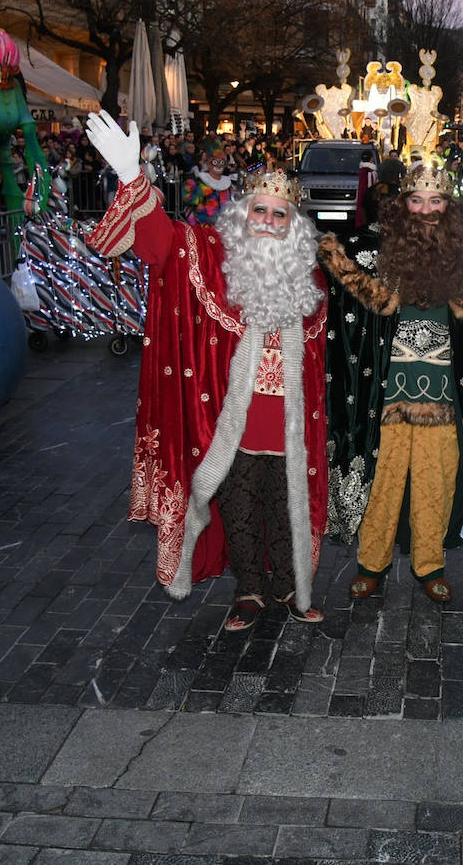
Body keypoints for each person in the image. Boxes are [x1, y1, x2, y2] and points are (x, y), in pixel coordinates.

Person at [83, 111, 329, 627]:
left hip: (287, 423)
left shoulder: (311, 280)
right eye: (258, 210)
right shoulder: (213, 256)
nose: (267, 220)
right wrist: (133, 178)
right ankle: (250, 591)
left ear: (293, 224)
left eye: (279, 214)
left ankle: (288, 586)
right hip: (228, 420)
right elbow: (161, 244)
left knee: (284, 508)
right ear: (243, 215)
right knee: (237, 509)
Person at [321, 164, 463, 603]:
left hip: (444, 396)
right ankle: (372, 563)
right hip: (386, 397)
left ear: (448, 207)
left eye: (436, 201)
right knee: (382, 479)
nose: (427, 210)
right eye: (417, 200)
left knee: (437, 479)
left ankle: (430, 566)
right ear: (403, 206)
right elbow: (350, 287)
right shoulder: (374, 254)